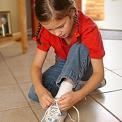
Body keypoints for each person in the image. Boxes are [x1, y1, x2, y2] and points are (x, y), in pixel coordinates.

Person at [28, 0, 105, 121]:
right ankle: (79, 85)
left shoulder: (89, 28)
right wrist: (40, 90)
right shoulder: (47, 31)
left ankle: (61, 107)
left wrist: (78, 96)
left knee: (78, 47)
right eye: (50, 30)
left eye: (61, 26)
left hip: (87, 67)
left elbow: (99, 73)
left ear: (72, 13)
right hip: (63, 63)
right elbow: (36, 66)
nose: (57, 33)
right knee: (33, 93)